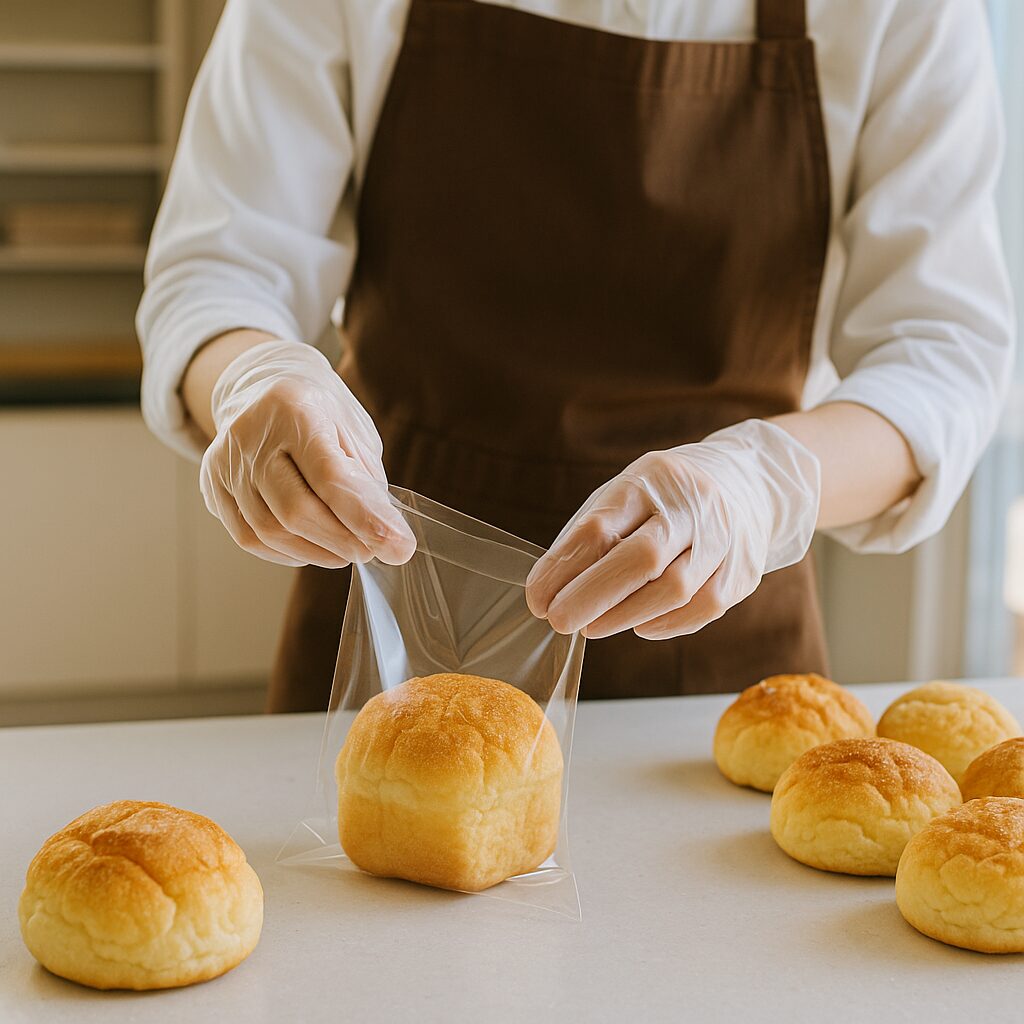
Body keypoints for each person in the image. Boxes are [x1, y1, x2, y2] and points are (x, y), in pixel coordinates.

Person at [138, 0, 1014, 711]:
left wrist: (760, 485)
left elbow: (939, 353)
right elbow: (220, 269)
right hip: (385, 621)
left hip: (709, 661)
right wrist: (255, 380)